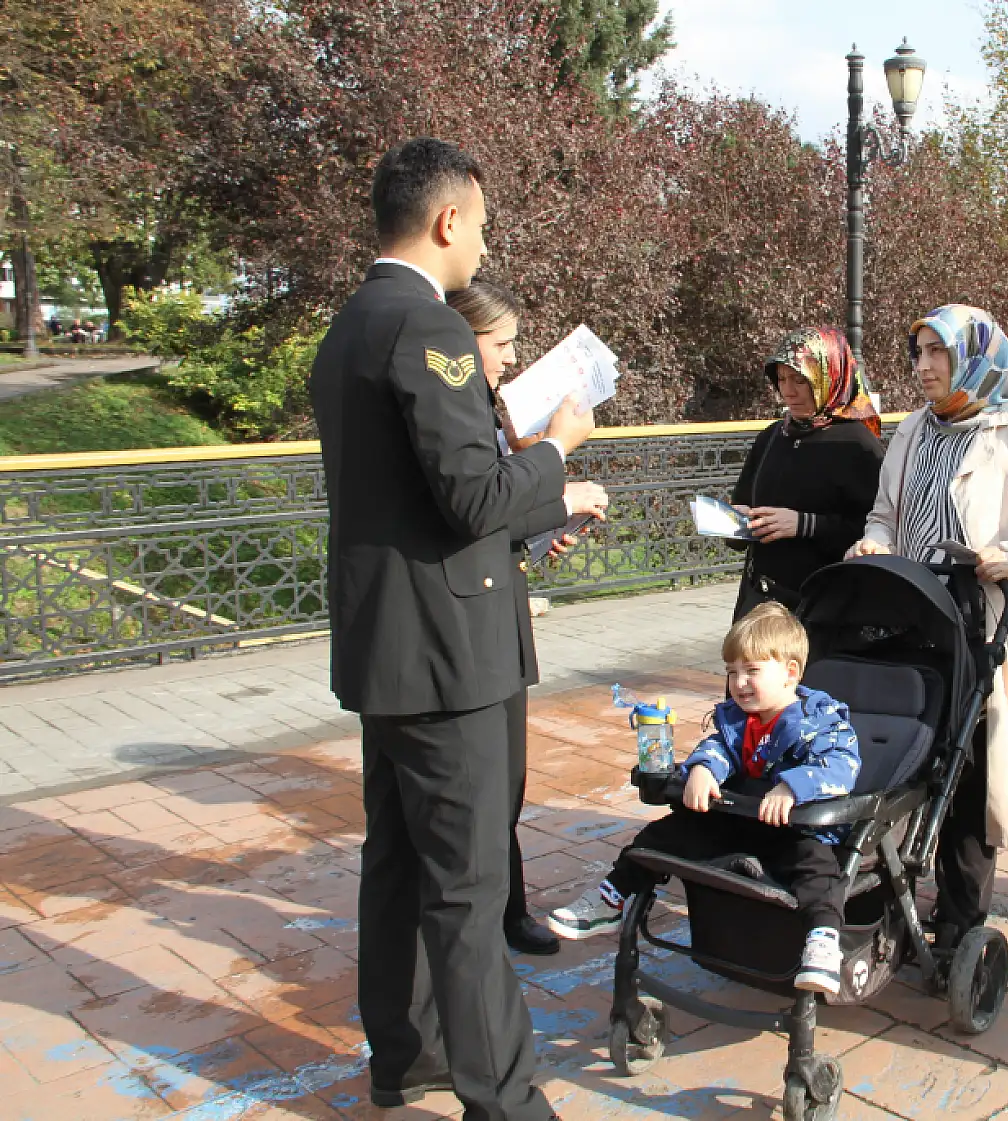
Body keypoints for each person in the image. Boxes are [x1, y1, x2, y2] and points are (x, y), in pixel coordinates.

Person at [309, 138, 597, 1121]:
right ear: (446, 220)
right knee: (466, 889)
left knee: (394, 864)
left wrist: (537, 511)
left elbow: (420, 506)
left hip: (388, 646)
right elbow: (472, 495)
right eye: (478, 222)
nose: (481, 241)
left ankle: (407, 1056)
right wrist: (557, 449)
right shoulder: (424, 327)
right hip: (447, 658)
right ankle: (503, 1098)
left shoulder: (350, 325)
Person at [847, 305, 1008, 945]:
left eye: (937, 353)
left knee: (970, 773)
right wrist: (873, 542)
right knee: (902, 753)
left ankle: (960, 915)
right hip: (906, 615)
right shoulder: (913, 431)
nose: (923, 368)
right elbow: (885, 512)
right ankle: (882, 890)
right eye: (918, 353)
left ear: (975, 357)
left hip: (977, 620)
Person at [546, 602, 861, 993]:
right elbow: (718, 748)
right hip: (737, 822)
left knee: (817, 871)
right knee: (662, 835)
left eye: (752, 671)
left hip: (792, 830)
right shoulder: (737, 720)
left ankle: (823, 941)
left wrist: (794, 786)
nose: (739, 682)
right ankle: (611, 897)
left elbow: (842, 765)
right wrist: (703, 769)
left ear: (790, 673)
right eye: (732, 673)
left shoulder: (820, 721)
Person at [446, 279, 609, 958]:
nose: (511, 358)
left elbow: (496, 518)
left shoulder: (480, 408)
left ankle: (507, 908)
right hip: (470, 627)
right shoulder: (458, 412)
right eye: (501, 342)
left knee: (504, 781)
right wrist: (556, 454)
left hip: (499, 614)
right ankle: (493, 917)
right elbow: (478, 507)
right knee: (483, 786)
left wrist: (547, 522)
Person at [729, 327, 885, 617]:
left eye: (801, 380)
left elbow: (877, 530)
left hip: (827, 609)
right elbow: (745, 504)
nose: (789, 391)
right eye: (782, 379)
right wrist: (734, 523)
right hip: (762, 603)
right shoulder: (773, 436)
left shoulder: (857, 444)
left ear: (830, 378)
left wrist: (805, 524)